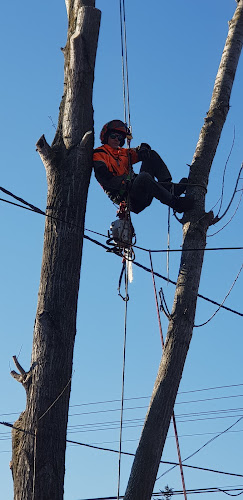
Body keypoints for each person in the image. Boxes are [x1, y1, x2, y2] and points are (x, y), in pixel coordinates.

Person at [93, 120, 193, 214]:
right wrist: (123, 183)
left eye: (119, 138)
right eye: (113, 136)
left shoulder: (123, 153)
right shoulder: (100, 153)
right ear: (106, 137)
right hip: (127, 197)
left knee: (151, 155)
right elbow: (102, 176)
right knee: (143, 177)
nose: (116, 139)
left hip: (139, 189)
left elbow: (139, 149)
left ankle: (169, 188)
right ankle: (176, 203)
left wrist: (144, 148)